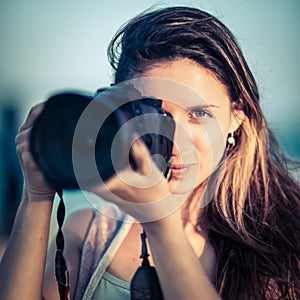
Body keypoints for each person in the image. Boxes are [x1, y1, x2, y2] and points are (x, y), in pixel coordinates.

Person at [0, 6, 299, 300]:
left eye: (198, 113)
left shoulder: (283, 241)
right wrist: (37, 196)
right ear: (124, 115)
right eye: (156, 115)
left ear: (237, 117)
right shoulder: (90, 235)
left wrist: (159, 221)